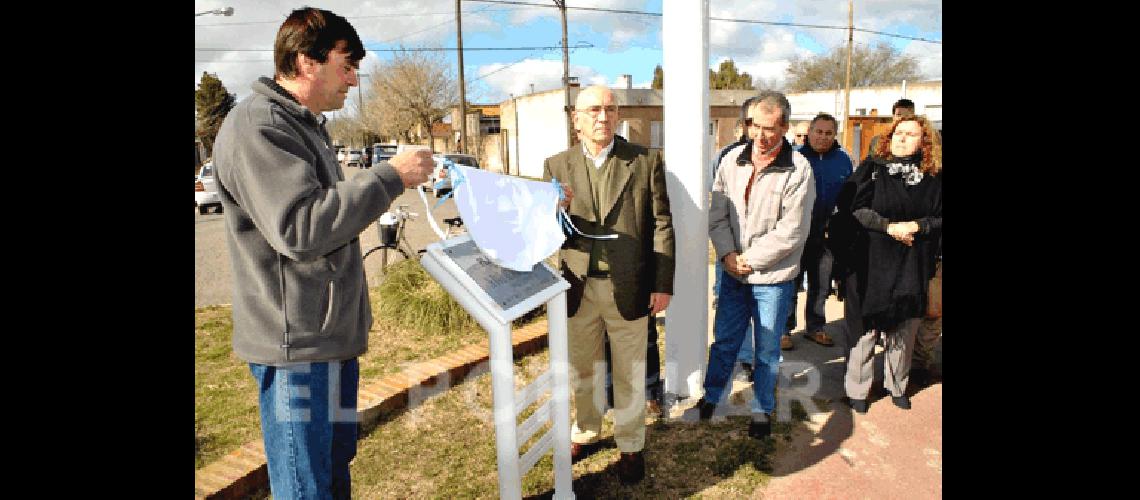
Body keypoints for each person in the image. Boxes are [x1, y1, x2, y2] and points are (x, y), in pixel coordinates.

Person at [212, 8, 434, 498]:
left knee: (331, 474)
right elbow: (302, 227)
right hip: (296, 350)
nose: (354, 80)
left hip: (325, 340)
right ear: (305, 62)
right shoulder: (259, 125)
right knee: (304, 485)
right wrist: (390, 176)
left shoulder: (306, 124)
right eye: (346, 65)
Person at [542, 85, 675, 484]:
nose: (604, 116)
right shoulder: (556, 165)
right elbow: (544, 229)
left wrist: (662, 282)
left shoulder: (644, 160)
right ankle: (585, 429)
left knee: (631, 371)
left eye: (611, 109)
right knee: (584, 369)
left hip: (630, 285)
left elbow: (662, 224)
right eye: (595, 109)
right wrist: (555, 209)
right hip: (578, 287)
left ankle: (631, 444)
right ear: (576, 119)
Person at [697, 91, 815, 439]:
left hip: (773, 279)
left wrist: (749, 260)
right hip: (732, 272)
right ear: (746, 124)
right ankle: (712, 395)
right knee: (724, 342)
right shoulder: (731, 160)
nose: (761, 136)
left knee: (766, 350)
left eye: (770, 129)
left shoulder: (799, 168)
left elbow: (792, 230)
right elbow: (717, 215)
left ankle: (762, 408)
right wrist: (727, 255)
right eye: (754, 126)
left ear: (784, 128)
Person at [829, 114, 942, 414]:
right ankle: (857, 389)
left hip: (912, 261)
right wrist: (889, 227)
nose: (902, 138)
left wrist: (917, 227)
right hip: (870, 261)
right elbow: (854, 209)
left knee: (904, 328)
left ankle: (897, 386)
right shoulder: (872, 170)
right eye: (898, 133)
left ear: (925, 142)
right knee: (865, 329)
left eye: (910, 134)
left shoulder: (934, 178)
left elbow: (940, 217)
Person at [789, 114, 853, 348]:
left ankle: (815, 327)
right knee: (792, 282)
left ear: (834, 135)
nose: (823, 137)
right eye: (819, 132)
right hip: (797, 232)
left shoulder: (844, 160)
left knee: (821, 284)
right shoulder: (795, 157)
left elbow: (850, 195)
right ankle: (785, 329)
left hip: (827, 234)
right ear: (810, 132)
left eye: (828, 133)